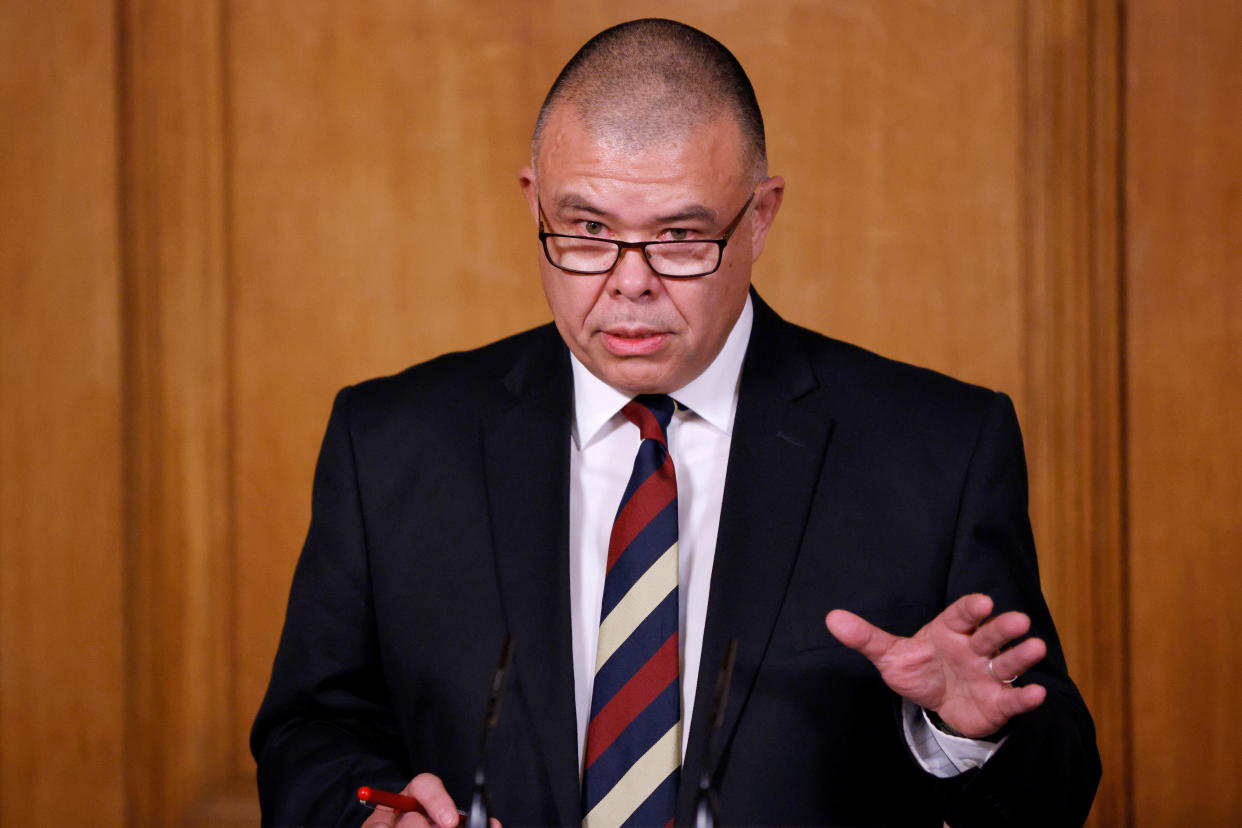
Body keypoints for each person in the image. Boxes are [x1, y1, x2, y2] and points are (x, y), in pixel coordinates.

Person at [252, 18, 1100, 828]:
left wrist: (969, 736)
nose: (629, 282)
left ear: (759, 217)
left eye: (681, 237)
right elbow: (310, 735)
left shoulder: (939, 450)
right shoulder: (390, 442)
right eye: (587, 230)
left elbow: (1054, 797)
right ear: (533, 199)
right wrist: (371, 817)